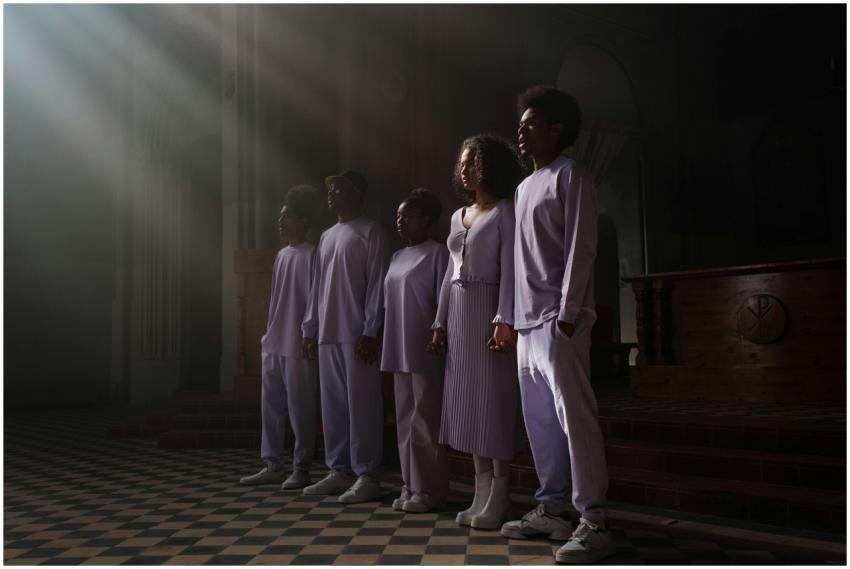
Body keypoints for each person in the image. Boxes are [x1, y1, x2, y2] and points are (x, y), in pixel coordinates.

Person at [501, 85, 615, 564]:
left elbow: (580, 248)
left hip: (558, 322)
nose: (520, 132)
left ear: (556, 130)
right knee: (540, 423)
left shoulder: (573, 176)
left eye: (530, 125)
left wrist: (568, 314)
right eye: (521, 125)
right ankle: (551, 508)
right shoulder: (524, 187)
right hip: (526, 325)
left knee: (575, 421)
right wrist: (505, 316)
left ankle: (594, 520)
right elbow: (516, 260)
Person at [428, 134, 522, 529]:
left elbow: (512, 272)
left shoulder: (505, 213)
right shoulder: (457, 216)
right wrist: (438, 322)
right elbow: (450, 273)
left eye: (471, 162)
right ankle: (480, 493)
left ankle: (500, 495)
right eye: (461, 163)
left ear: (490, 166)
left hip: (488, 315)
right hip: (459, 316)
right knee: (467, 407)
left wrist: (504, 319)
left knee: (492, 405)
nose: (464, 169)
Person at [301, 170, 388, 504]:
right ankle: (340, 470)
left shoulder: (371, 231)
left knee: (363, 405)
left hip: (357, 335)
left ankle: (367, 474)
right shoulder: (326, 236)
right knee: (334, 405)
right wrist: (310, 328)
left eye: (339, 189)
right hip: (328, 333)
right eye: (331, 190)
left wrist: (370, 329)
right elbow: (316, 287)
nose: (332, 194)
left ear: (356, 194)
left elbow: (377, 284)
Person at [240, 185, 321, 490]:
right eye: (280, 216)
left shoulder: (313, 254)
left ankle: (301, 467)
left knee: (300, 407)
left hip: (298, 342)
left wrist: (308, 333)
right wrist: (266, 335)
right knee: (271, 405)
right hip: (274, 340)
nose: (281, 221)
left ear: (302, 220)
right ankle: (273, 463)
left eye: (286, 216)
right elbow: (274, 299)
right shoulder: (282, 255)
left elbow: (315, 299)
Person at [381, 188, 450, 514]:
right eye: (398, 215)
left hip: (424, 346)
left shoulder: (438, 253)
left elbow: (443, 300)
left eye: (407, 215)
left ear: (426, 218)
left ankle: (429, 490)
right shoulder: (396, 257)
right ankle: (410, 486)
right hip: (397, 344)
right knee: (405, 419)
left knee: (425, 420)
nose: (400, 221)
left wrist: (439, 332)